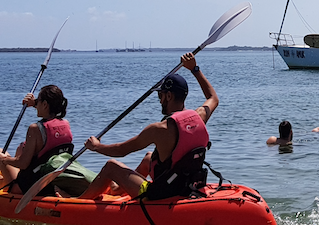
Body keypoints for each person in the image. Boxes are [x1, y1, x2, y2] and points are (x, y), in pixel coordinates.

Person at [78, 52, 218, 200]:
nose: (159, 101)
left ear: (168, 96)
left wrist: (96, 147)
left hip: (162, 192)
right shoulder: (199, 117)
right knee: (148, 158)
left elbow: (121, 150)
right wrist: (194, 69)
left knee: (111, 166)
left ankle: (75, 202)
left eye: (160, 96)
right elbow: (213, 98)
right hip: (186, 184)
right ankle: (118, 190)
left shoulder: (159, 129)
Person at [0, 85, 73, 195]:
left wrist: (4, 159)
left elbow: (23, 164)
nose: (37, 105)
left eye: (39, 100)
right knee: (21, 148)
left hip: (26, 188)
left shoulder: (35, 129)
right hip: (48, 183)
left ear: (45, 104)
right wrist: (34, 103)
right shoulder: (66, 124)